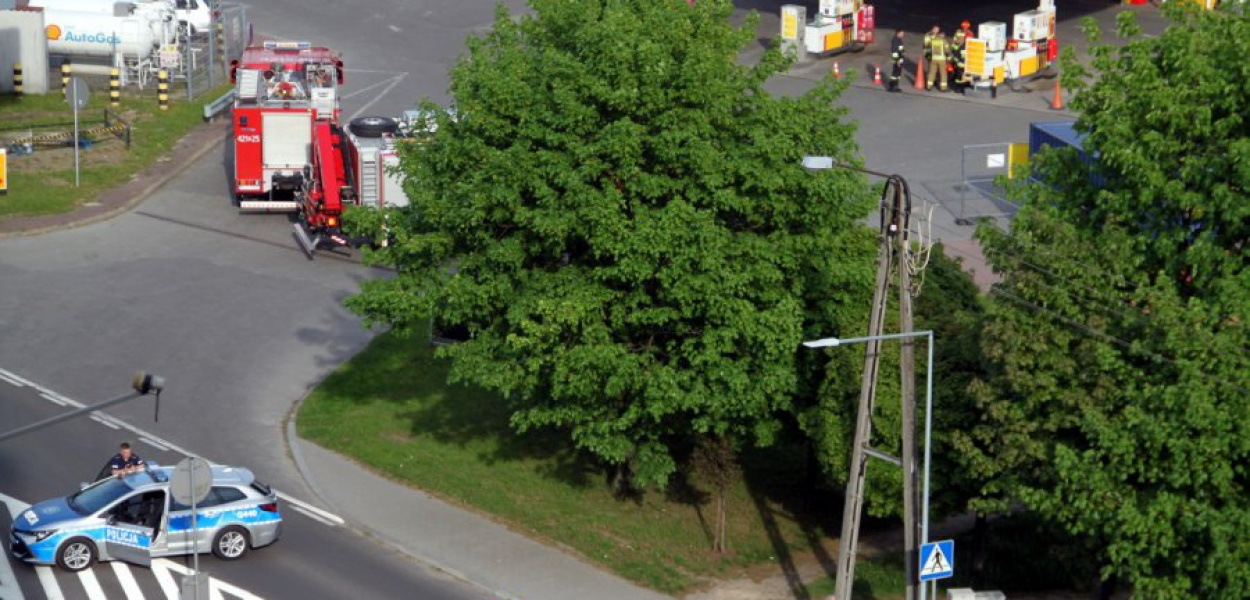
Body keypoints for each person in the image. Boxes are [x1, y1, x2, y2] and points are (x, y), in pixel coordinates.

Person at [926, 27, 950, 92]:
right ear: (942, 35)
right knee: (943, 74)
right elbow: (947, 51)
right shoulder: (944, 41)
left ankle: (928, 86)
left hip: (933, 59)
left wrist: (929, 57)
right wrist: (948, 58)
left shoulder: (932, 41)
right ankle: (943, 88)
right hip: (941, 60)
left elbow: (928, 49)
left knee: (931, 73)